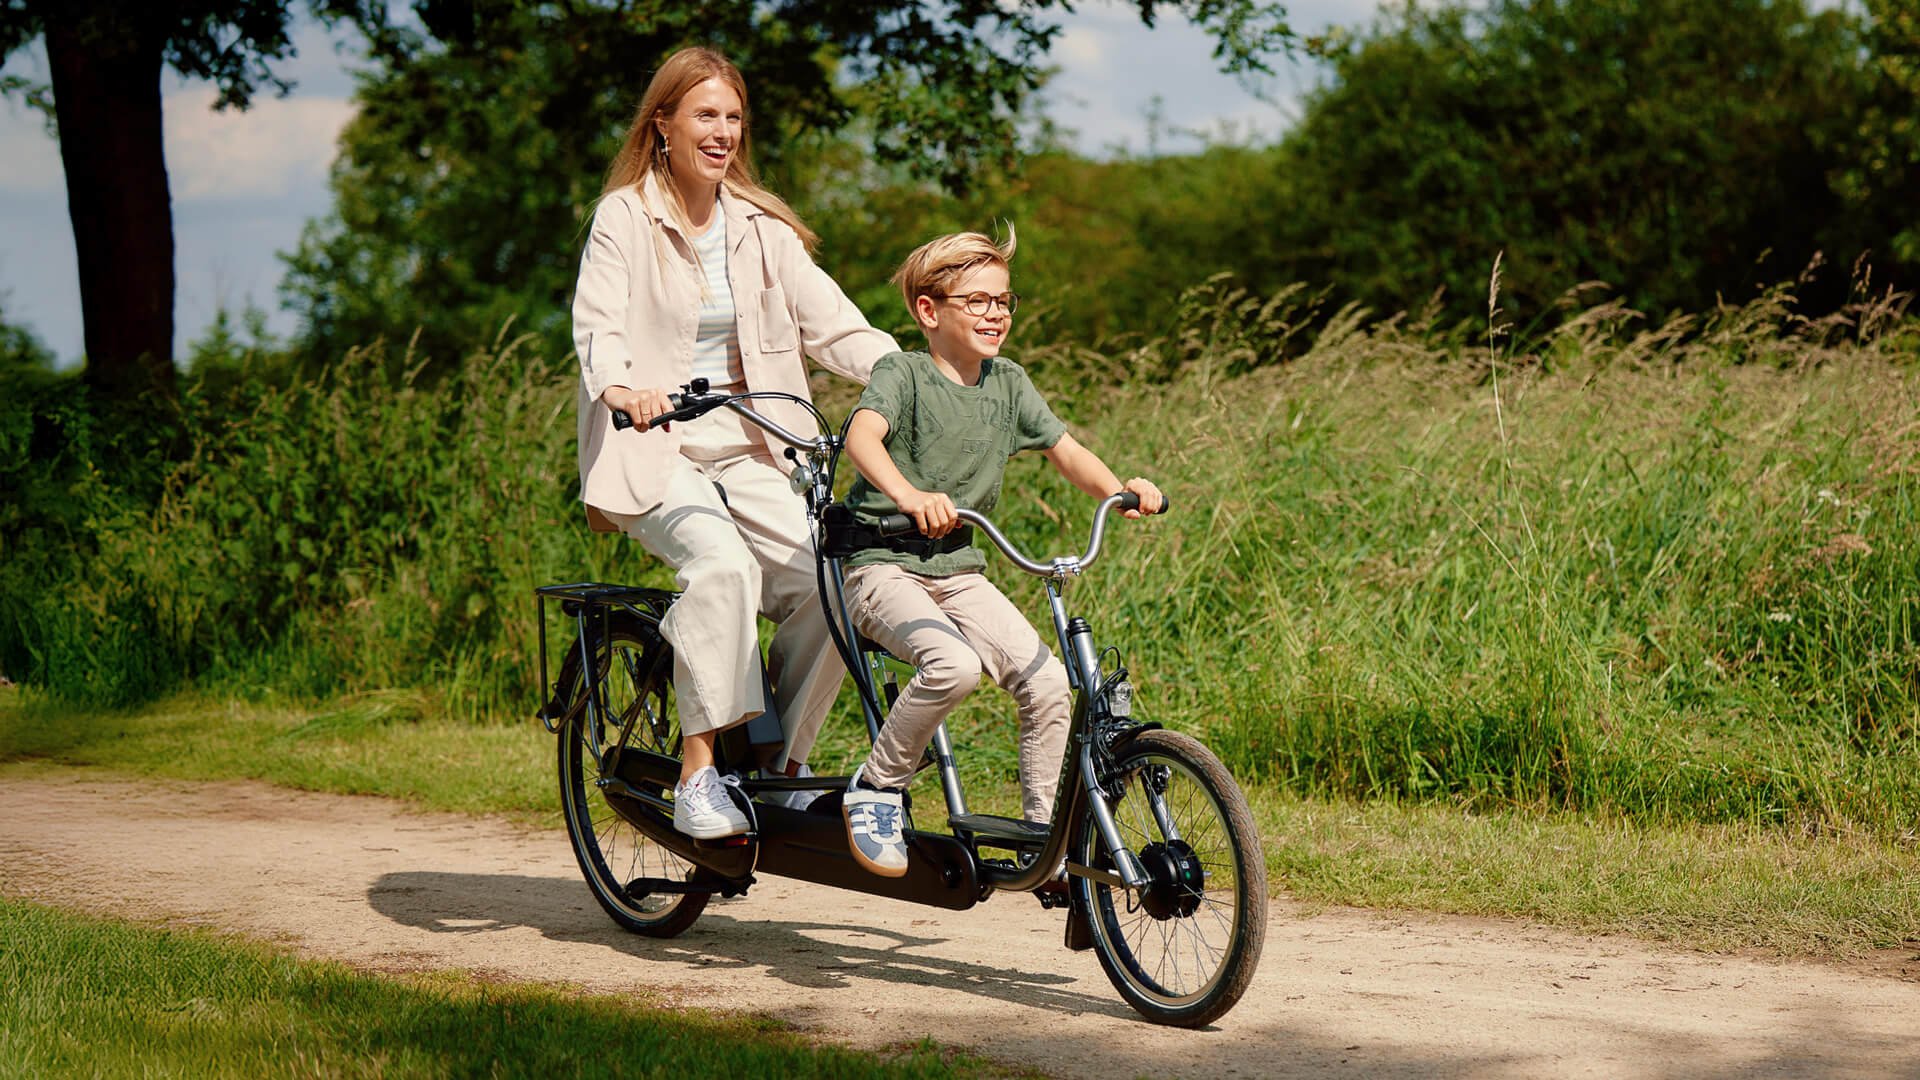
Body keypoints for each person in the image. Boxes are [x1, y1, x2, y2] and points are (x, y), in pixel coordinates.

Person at [570, 47, 897, 840]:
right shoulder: (625, 216)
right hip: (657, 446)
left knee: (830, 587)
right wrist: (623, 389)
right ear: (664, 124)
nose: (722, 132)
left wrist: (913, 379)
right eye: (705, 115)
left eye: (733, 118)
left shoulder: (761, 228)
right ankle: (699, 775)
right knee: (721, 568)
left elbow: (836, 326)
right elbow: (599, 328)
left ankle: (778, 769)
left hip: (757, 449)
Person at [836, 227, 1163, 877]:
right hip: (881, 565)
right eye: (978, 301)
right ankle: (876, 787)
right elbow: (861, 438)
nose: (996, 315)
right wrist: (907, 494)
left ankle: (1044, 839)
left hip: (957, 569)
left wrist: (1121, 489)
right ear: (929, 311)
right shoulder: (902, 374)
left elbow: (1064, 451)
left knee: (1046, 682)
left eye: (1005, 302)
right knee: (952, 666)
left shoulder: (1007, 384)